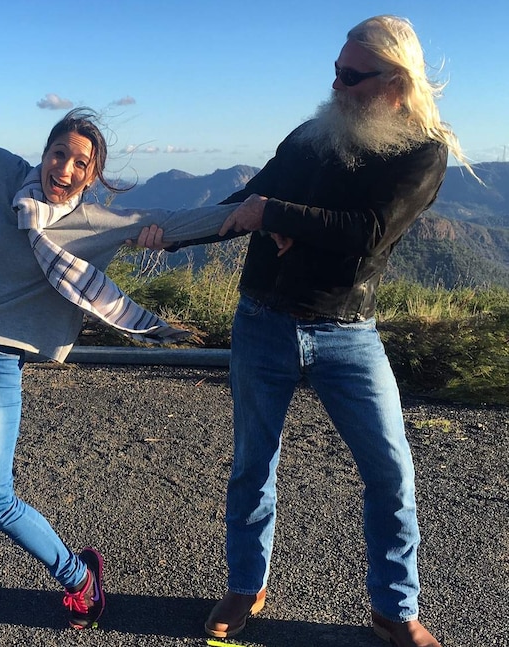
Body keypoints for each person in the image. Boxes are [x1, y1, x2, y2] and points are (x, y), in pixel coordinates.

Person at [0, 57, 244, 646]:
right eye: (60, 153)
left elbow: (179, 220)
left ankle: (79, 576)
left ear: (91, 176)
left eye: (81, 163)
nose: (66, 166)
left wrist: (255, 214)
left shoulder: (96, 222)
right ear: (45, 152)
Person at [136, 15, 478, 647]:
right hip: (263, 319)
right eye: (336, 71)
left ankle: (394, 611)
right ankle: (247, 586)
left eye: (353, 76)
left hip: (349, 333)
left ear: (396, 82)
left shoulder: (424, 153)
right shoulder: (311, 136)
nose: (337, 85)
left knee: (391, 474)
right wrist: (161, 233)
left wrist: (281, 216)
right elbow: (245, 202)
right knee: (252, 467)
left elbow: (368, 233)